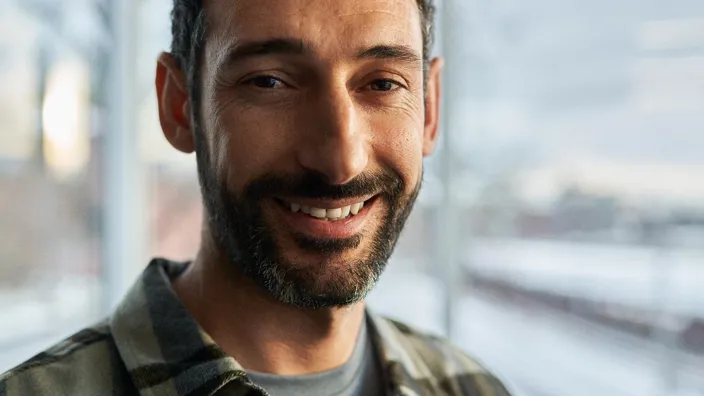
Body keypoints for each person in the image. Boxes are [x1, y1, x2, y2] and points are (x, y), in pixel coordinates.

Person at [0, 0, 512, 395]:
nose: (340, 160)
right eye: (270, 81)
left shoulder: (473, 387)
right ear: (180, 106)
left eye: (381, 83)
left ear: (428, 109)